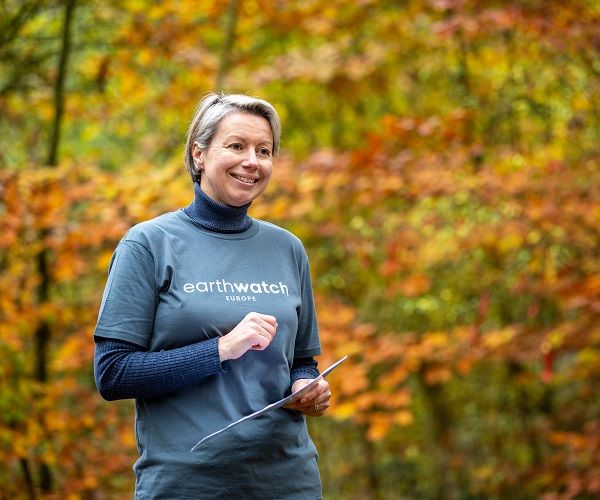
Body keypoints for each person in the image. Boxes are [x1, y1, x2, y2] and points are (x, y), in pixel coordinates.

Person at [93, 92, 332, 499]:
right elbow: (113, 374)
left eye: (264, 150)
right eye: (236, 146)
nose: (252, 161)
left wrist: (306, 387)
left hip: (287, 482)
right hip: (187, 484)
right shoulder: (149, 244)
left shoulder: (287, 248)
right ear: (199, 154)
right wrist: (220, 349)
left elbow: (302, 362)